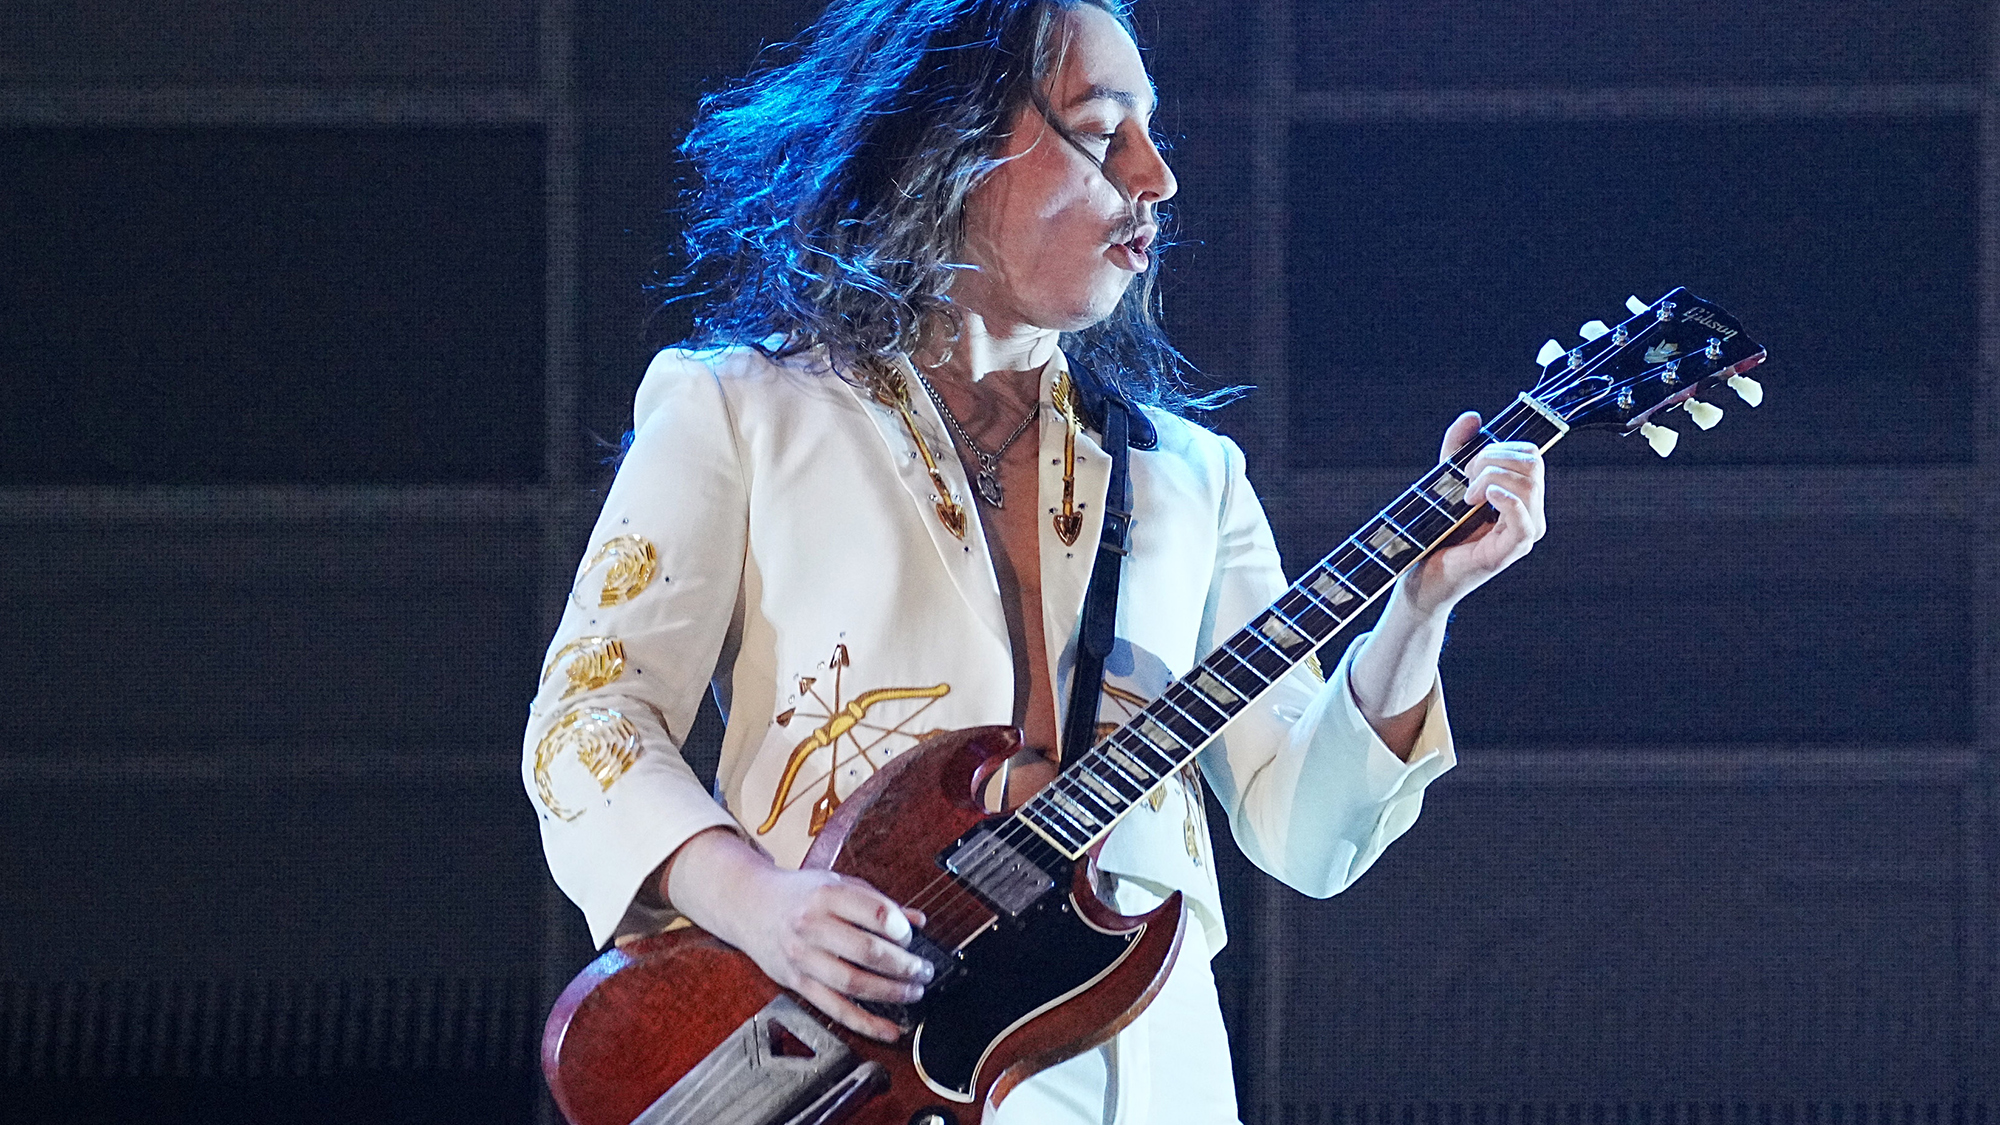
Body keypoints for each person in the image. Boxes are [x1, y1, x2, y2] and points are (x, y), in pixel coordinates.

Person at [522, 0, 1547, 1120]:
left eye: (1152, 135)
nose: (1156, 179)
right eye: (1105, 133)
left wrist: (1416, 612)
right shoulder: (741, 410)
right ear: (952, 141)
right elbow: (589, 717)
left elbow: (1306, 832)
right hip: (838, 1048)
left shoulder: (1187, 476)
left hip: (1146, 1067)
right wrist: (760, 904)